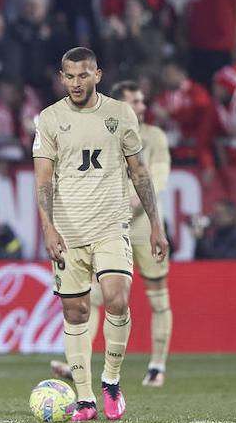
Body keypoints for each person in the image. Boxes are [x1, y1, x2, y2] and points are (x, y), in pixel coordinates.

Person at [33, 47, 167, 421]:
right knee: (75, 312)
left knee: (117, 299)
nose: (76, 83)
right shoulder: (49, 119)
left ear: (97, 75)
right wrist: (48, 227)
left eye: (83, 75)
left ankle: (111, 380)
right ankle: (86, 399)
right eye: (69, 76)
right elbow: (43, 180)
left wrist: (156, 225)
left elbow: (139, 172)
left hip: (111, 226)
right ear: (62, 78)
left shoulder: (120, 114)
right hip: (69, 231)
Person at [53, 80, 174, 388]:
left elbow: (155, 179)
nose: (141, 107)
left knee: (157, 298)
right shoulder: (105, 128)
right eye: (135, 102)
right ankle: (81, 363)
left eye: (142, 101)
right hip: (106, 227)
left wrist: (131, 205)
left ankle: (157, 365)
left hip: (141, 226)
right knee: (94, 298)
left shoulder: (155, 138)